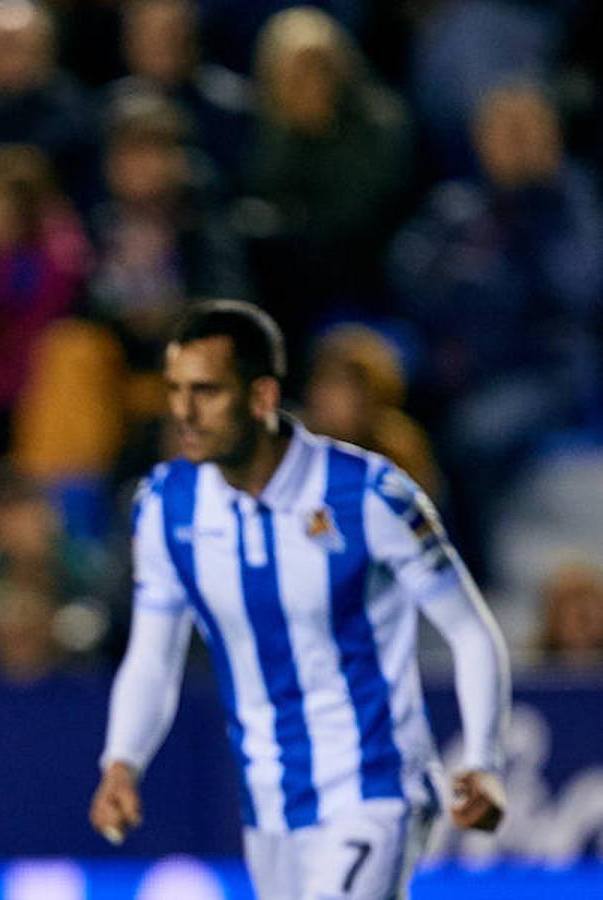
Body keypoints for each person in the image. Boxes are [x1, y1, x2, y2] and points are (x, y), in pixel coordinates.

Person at [88, 301, 510, 899]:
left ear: (261, 397)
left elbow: (470, 630)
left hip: (377, 788)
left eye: (205, 391)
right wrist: (122, 760)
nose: (183, 411)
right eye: (175, 390)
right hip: (269, 808)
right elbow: (154, 654)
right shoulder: (164, 506)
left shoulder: (369, 493)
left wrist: (484, 760)